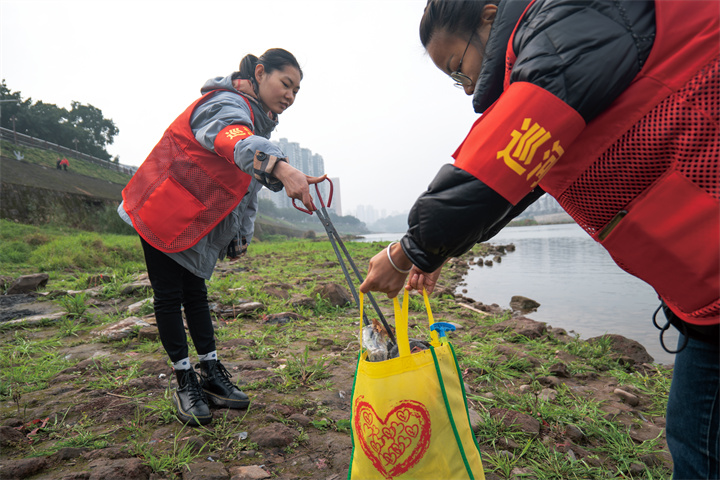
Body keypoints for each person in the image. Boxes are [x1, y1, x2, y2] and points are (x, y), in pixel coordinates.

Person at [359, 1, 718, 478]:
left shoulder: (572, 20)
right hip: (706, 300)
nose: (465, 86)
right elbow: (518, 183)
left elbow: (506, 155)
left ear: (489, 17)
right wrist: (437, 249)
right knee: (695, 437)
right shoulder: (552, 53)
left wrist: (408, 251)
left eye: (457, 66)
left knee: (698, 447)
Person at [118, 48, 326, 426]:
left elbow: (245, 187)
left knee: (196, 294)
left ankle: (211, 372)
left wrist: (241, 234)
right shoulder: (225, 105)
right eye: (285, 84)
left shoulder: (256, 121)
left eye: (296, 90)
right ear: (260, 73)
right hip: (162, 208)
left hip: (195, 217)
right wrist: (280, 166)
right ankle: (184, 380)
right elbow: (231, 139)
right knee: (169, 296)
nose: (290, 96)